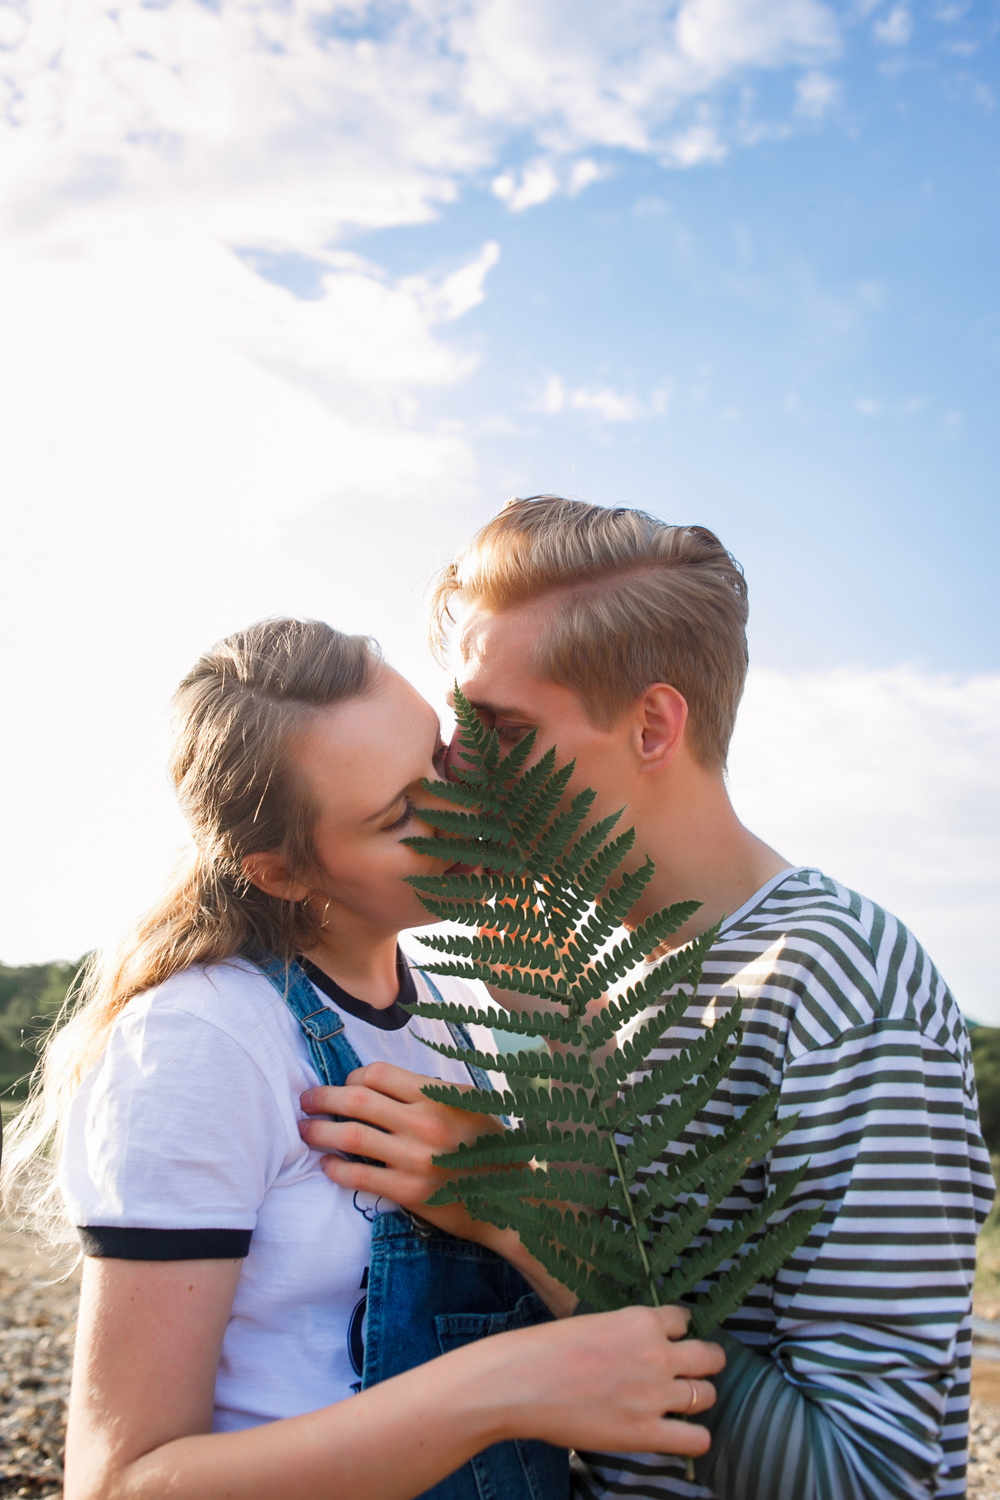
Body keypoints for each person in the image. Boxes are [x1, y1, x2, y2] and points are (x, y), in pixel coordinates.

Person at [305, 497, 994, 1500]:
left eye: (497, 725)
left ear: (654, 725)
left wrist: (519, 1211)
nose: (453, 763)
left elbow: (866, 1477)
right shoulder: (565, 979)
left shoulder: (839, 987)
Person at [0, 617, 725, 1500]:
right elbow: (121, 1483)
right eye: (401, 815)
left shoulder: (464, 1011)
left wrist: (573, 1046)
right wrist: (501, 1388)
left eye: (439, 757)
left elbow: (636, 1312)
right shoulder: (205, 1039)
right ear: (282, 873)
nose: (467, 809)